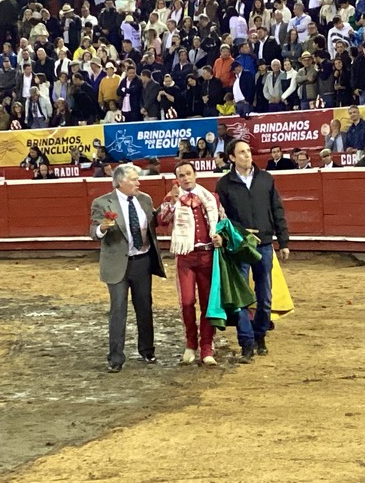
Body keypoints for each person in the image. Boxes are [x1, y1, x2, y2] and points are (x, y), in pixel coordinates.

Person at [215, 139, 290, 362]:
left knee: (265, 296)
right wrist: (238, 233)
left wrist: (284, 242)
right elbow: (223, 218)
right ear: (231, 157)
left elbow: (277, 210)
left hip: (264, 243)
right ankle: (246, 342)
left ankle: (260, 336)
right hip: (239, 245)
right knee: (242, 297)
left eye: (248, 151)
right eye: (241, 152)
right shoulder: (224, 184)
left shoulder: (265, 179)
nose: (247, 155)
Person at [89, 164, 166, 373]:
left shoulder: (145, 199)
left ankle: (147, 350)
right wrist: (102, 228)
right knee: (118, 310)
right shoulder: (102, 202)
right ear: (121, 182)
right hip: (117, 264)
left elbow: (155, 221)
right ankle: (115, 358)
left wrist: (168, 205)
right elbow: (93, 231)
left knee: (144, 306)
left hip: (142, 261)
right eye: (134, 179)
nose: (138, 183)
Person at [158, 162, 221, 366]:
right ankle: (190, 344)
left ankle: (207, 346)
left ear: (195, 175)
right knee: (186, 302)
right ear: (177, 179)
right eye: (181, 175)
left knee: (207, 303)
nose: (186, 178)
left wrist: (220, 237)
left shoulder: (211, 198)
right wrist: (172, 200)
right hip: (185, 256)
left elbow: (222, 222)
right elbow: (162, 219)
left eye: (188, 174)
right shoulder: (172, 198)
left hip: (207, 255)